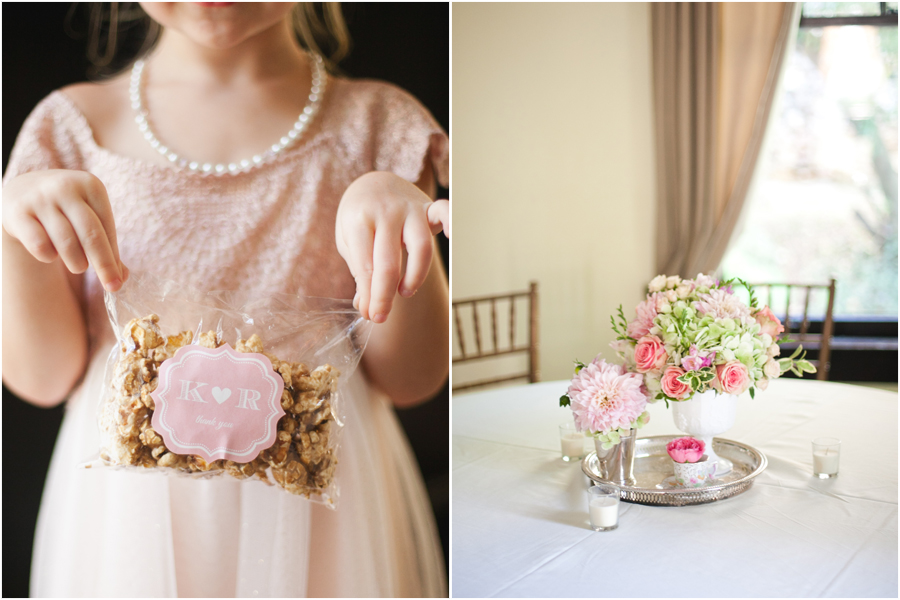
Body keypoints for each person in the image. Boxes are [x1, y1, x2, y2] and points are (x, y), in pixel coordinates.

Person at [2, 3, 448, 597]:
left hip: (319, 498)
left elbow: (413, 378)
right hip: (132, 509)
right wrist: (14, 238)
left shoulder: (378, 127)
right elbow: (43, 376)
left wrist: (397, 236)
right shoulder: (71, 128)